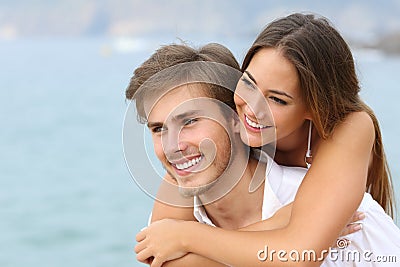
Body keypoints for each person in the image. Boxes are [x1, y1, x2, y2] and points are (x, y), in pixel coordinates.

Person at [133, 13, 400, 266]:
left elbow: (300, 253)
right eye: (248, 83)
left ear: (314, 109)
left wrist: (185, 236)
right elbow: (161, 258)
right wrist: (280, 223)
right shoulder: (202, 158)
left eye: (277, 99)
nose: (252, 106)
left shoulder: (349, 128)